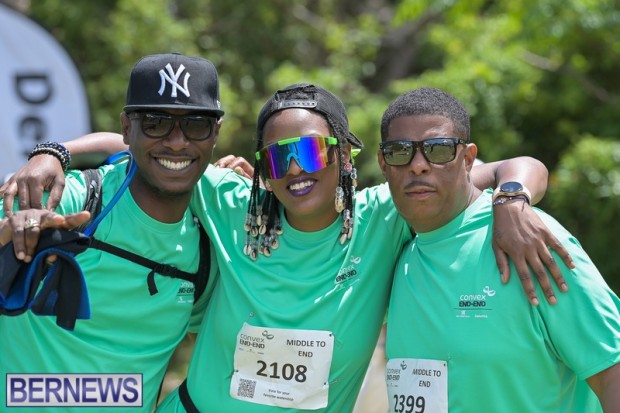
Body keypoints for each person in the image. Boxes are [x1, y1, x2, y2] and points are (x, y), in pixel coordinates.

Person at [1, 83, 571, 412]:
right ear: (263, 169)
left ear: (344, 154)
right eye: (278, 157)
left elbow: (515, 166)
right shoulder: (229, 200)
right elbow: (145, 150)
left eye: (311, 152)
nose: (295, 170)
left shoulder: (383, 216)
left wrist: (512, 201)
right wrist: (54, 152)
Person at [0, 52, 222, 412]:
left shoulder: (209, 242)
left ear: (216, 133)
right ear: (127, 128)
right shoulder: (63, 199)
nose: (177, 141)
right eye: (155, 122)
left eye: (196, 124)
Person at [380, 87, 620, 412]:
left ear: (467, 159)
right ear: (383, 163)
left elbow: (612, 371)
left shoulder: (526, 237)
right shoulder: (390, 245)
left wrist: (510, 198)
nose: (418, 166)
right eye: (399, 152)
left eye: (439, 150)